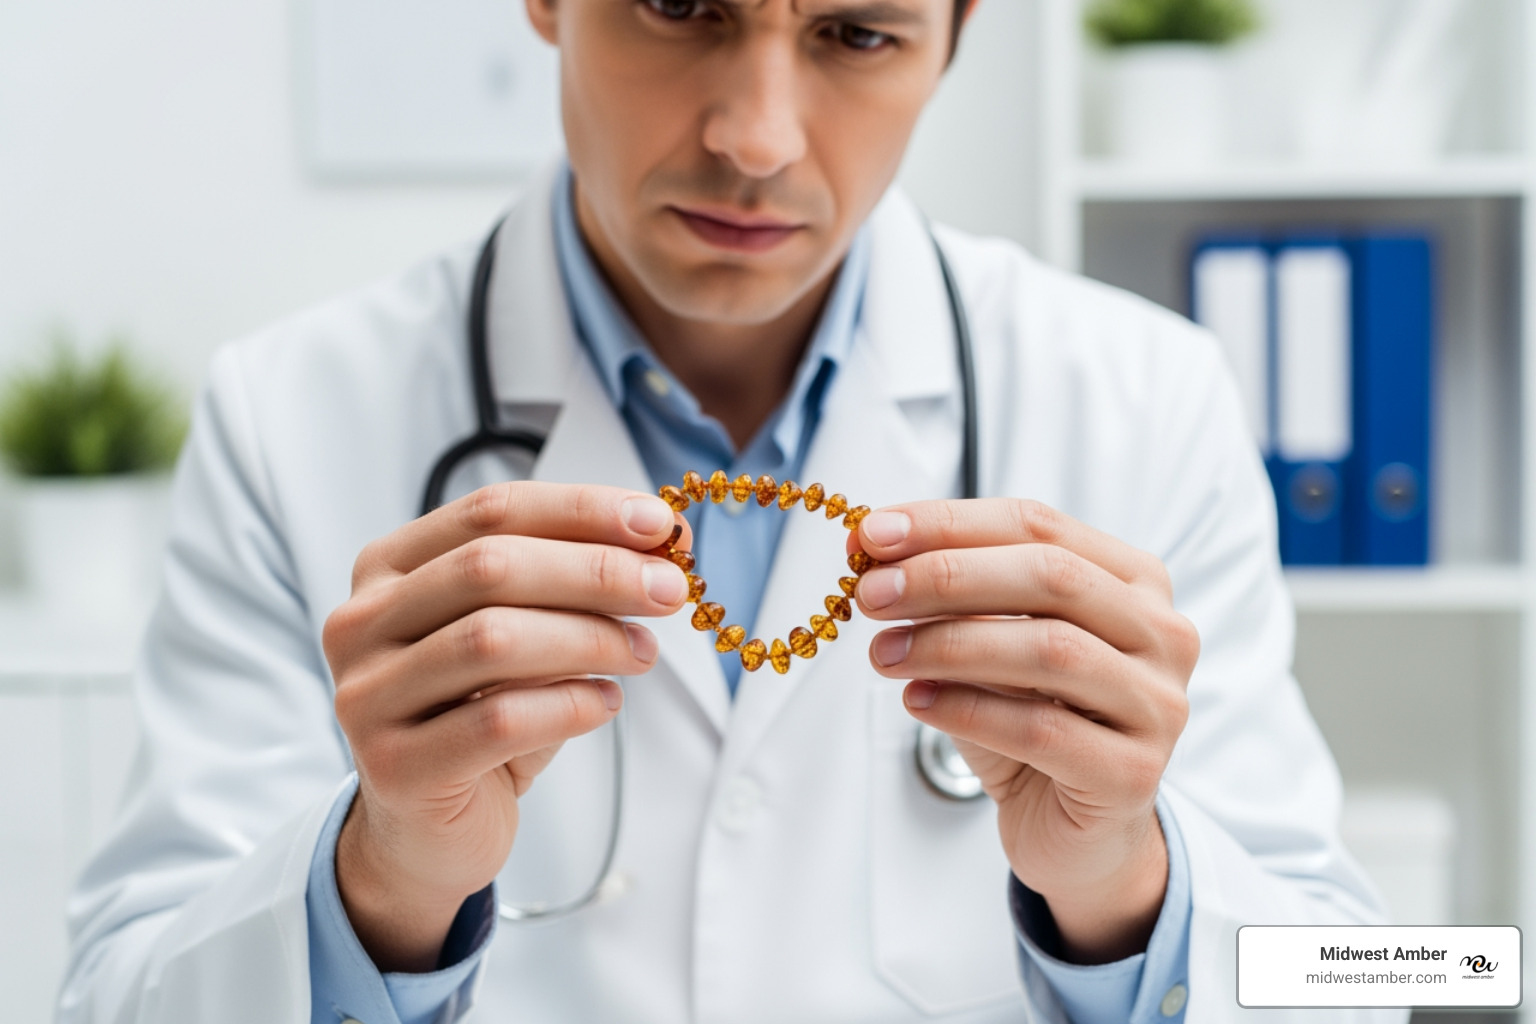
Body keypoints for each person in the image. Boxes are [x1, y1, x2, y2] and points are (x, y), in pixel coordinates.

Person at [60, 1, 1398, 1022]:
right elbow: (115, 992)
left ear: (959, 32)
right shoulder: (289, 416)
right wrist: (382, 878)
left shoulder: (1147, 401)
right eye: (681, 4)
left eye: (857, 32)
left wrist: (1127, 883)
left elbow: (1360, 977)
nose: (755, 137)